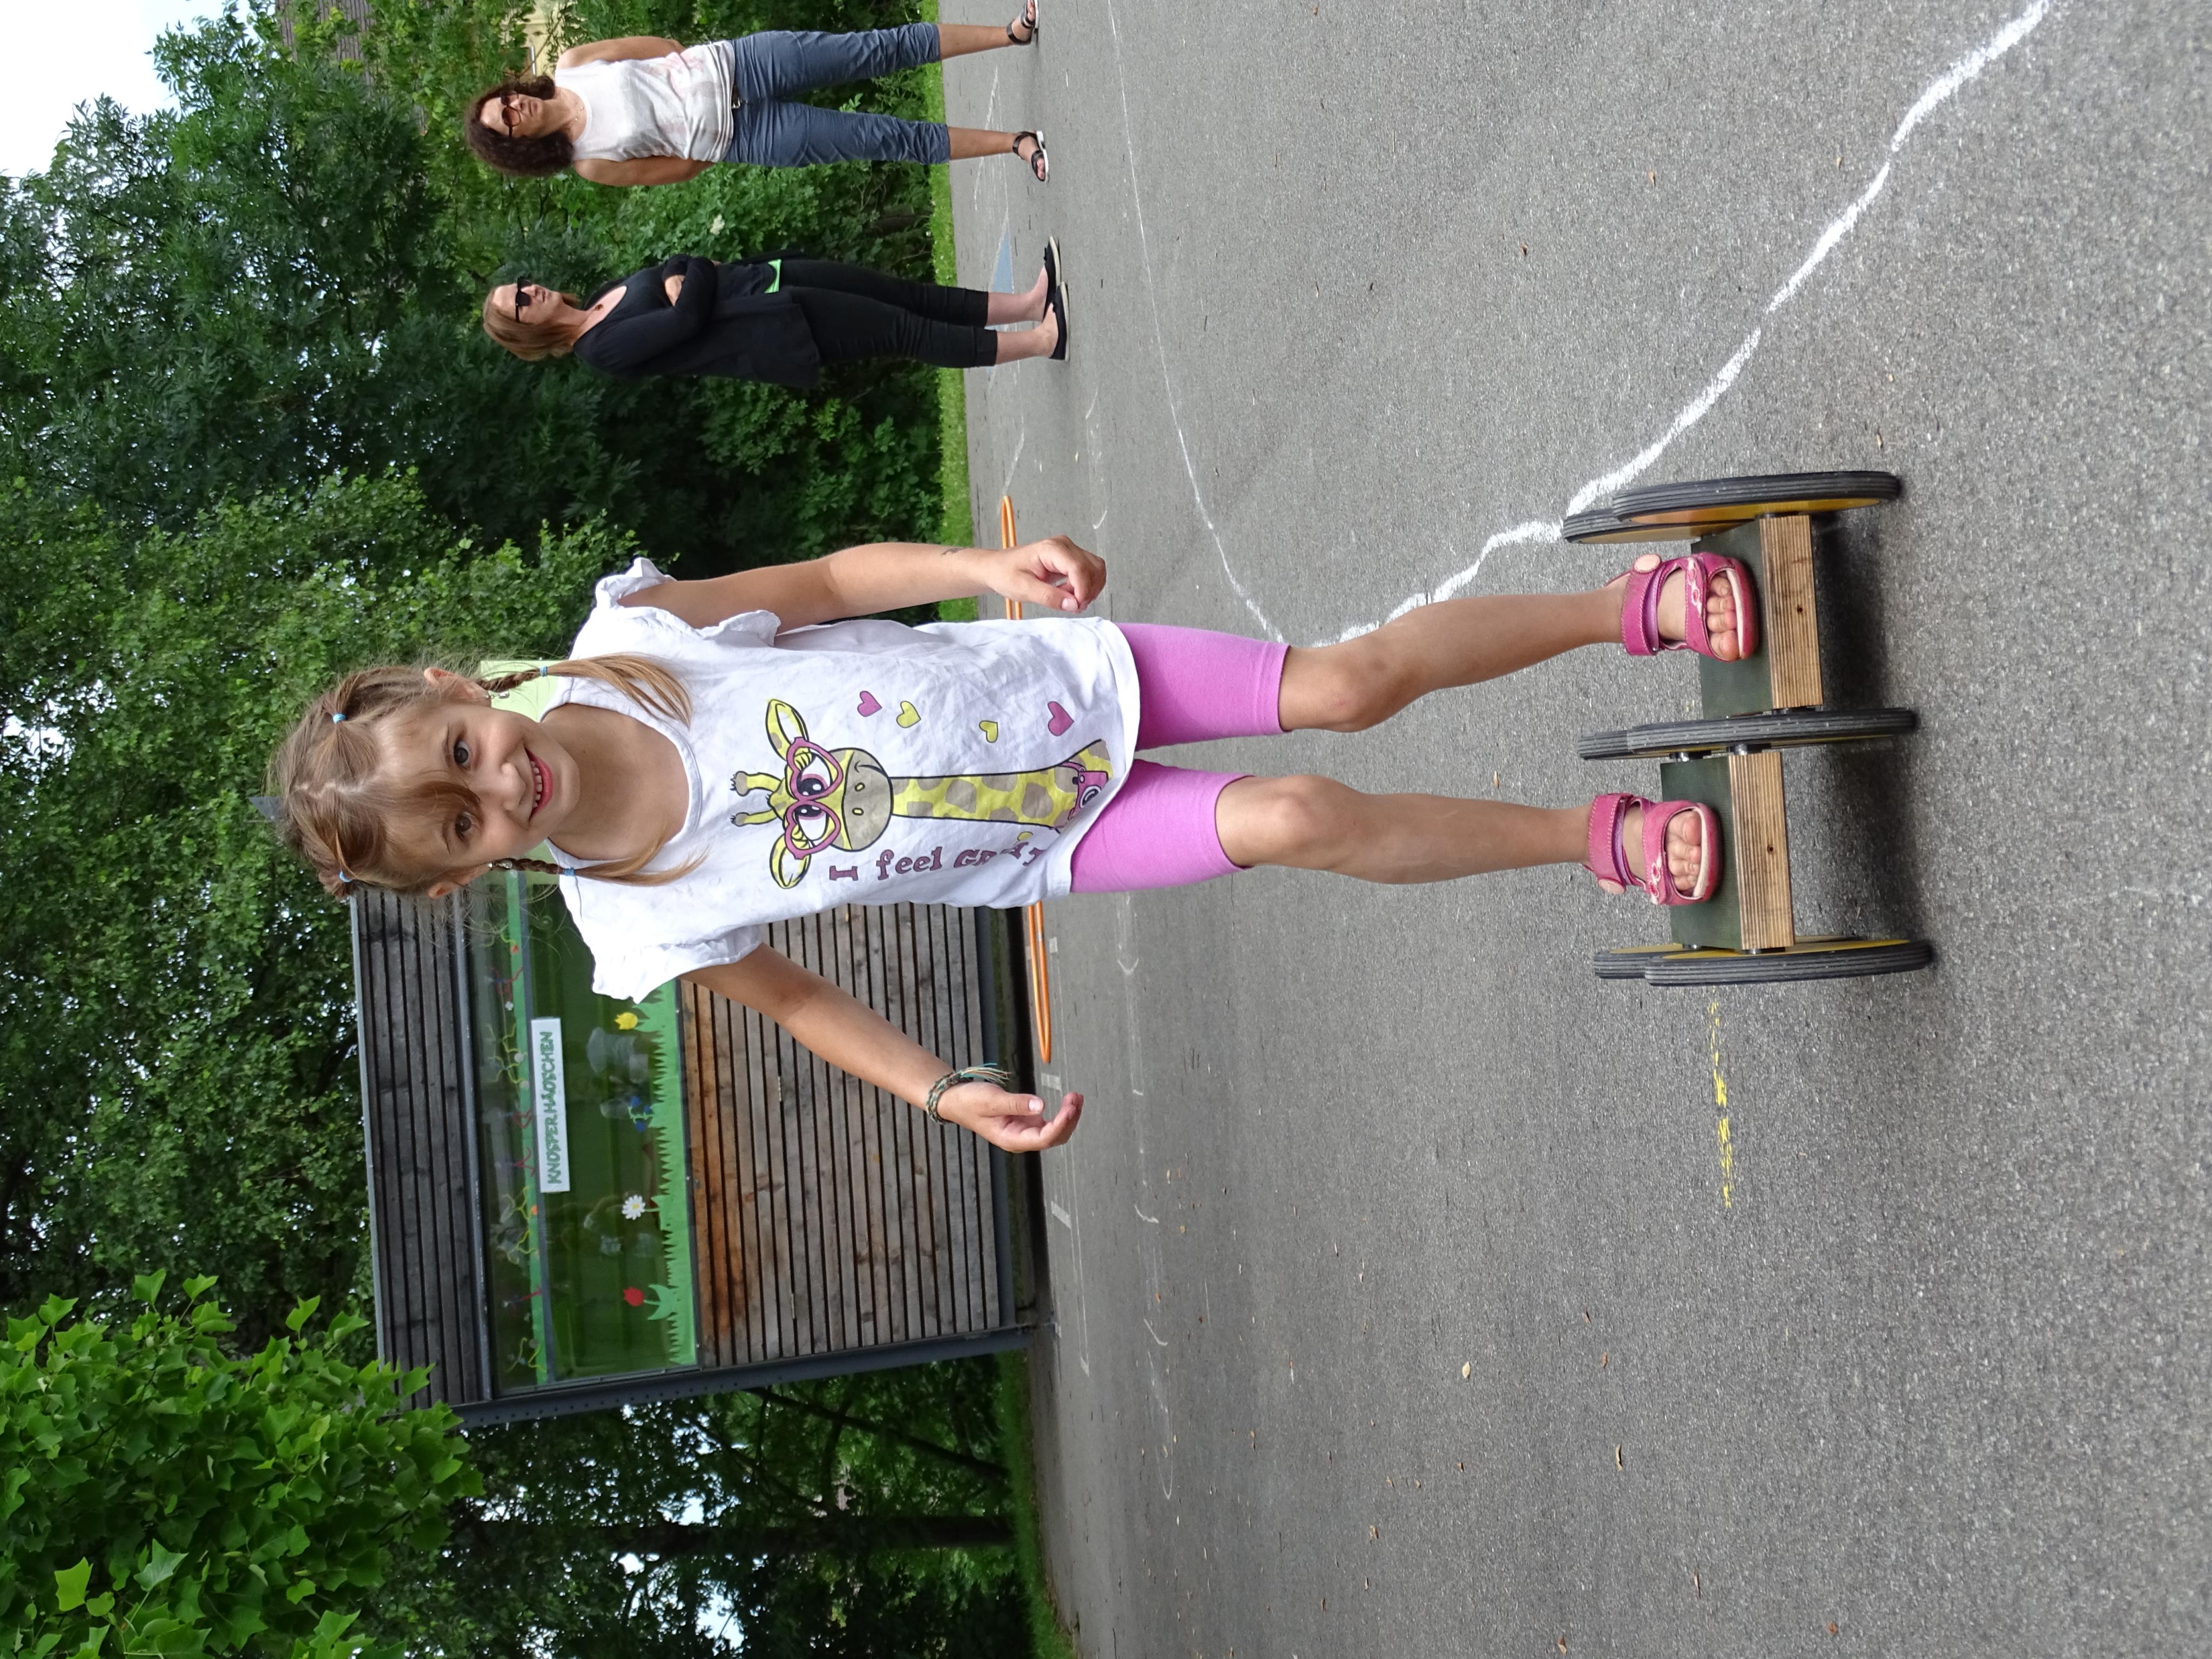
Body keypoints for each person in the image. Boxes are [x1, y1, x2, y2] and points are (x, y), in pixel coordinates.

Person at [267, 541, 1751, 1152]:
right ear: (461, 872)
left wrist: (984, 567)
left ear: (456, 690)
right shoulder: (635, 925)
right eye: (461, 822)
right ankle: (1597, 835)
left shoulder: (632, 639)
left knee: (1349, 685)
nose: (498, 785)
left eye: (460, 751)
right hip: (1049, 837)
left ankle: (1627, 606)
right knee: (1299, 817)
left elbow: (830, 579)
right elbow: (794, 998)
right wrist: (938, 1087)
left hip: (1065, 680)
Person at [464, 10, 1053, 186]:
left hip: (743, 63)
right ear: (520, 145)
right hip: (751, 137)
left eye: (506, 102)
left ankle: (1009, 34)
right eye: (507, 123)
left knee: (875, 50)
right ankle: (1015, 143)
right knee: (881, 137)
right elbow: (679, 168)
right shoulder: (589, 162)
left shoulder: (574, 65)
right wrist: (717, 133)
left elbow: (660, 47)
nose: (515, 109)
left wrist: (695, 75)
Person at [480, 244, 1068, 382]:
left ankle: (1026, 303)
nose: (531, 292)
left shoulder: (602, 295)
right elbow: (686, 318)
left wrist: (683, 274)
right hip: (779, 327)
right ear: (526, 332)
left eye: (522, 285)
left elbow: (672, 269)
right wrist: (690, 273)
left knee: (908, 295)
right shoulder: (600, 349)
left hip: (768, 278)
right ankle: (1042, 341)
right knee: (905, 331)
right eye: (520, 303)